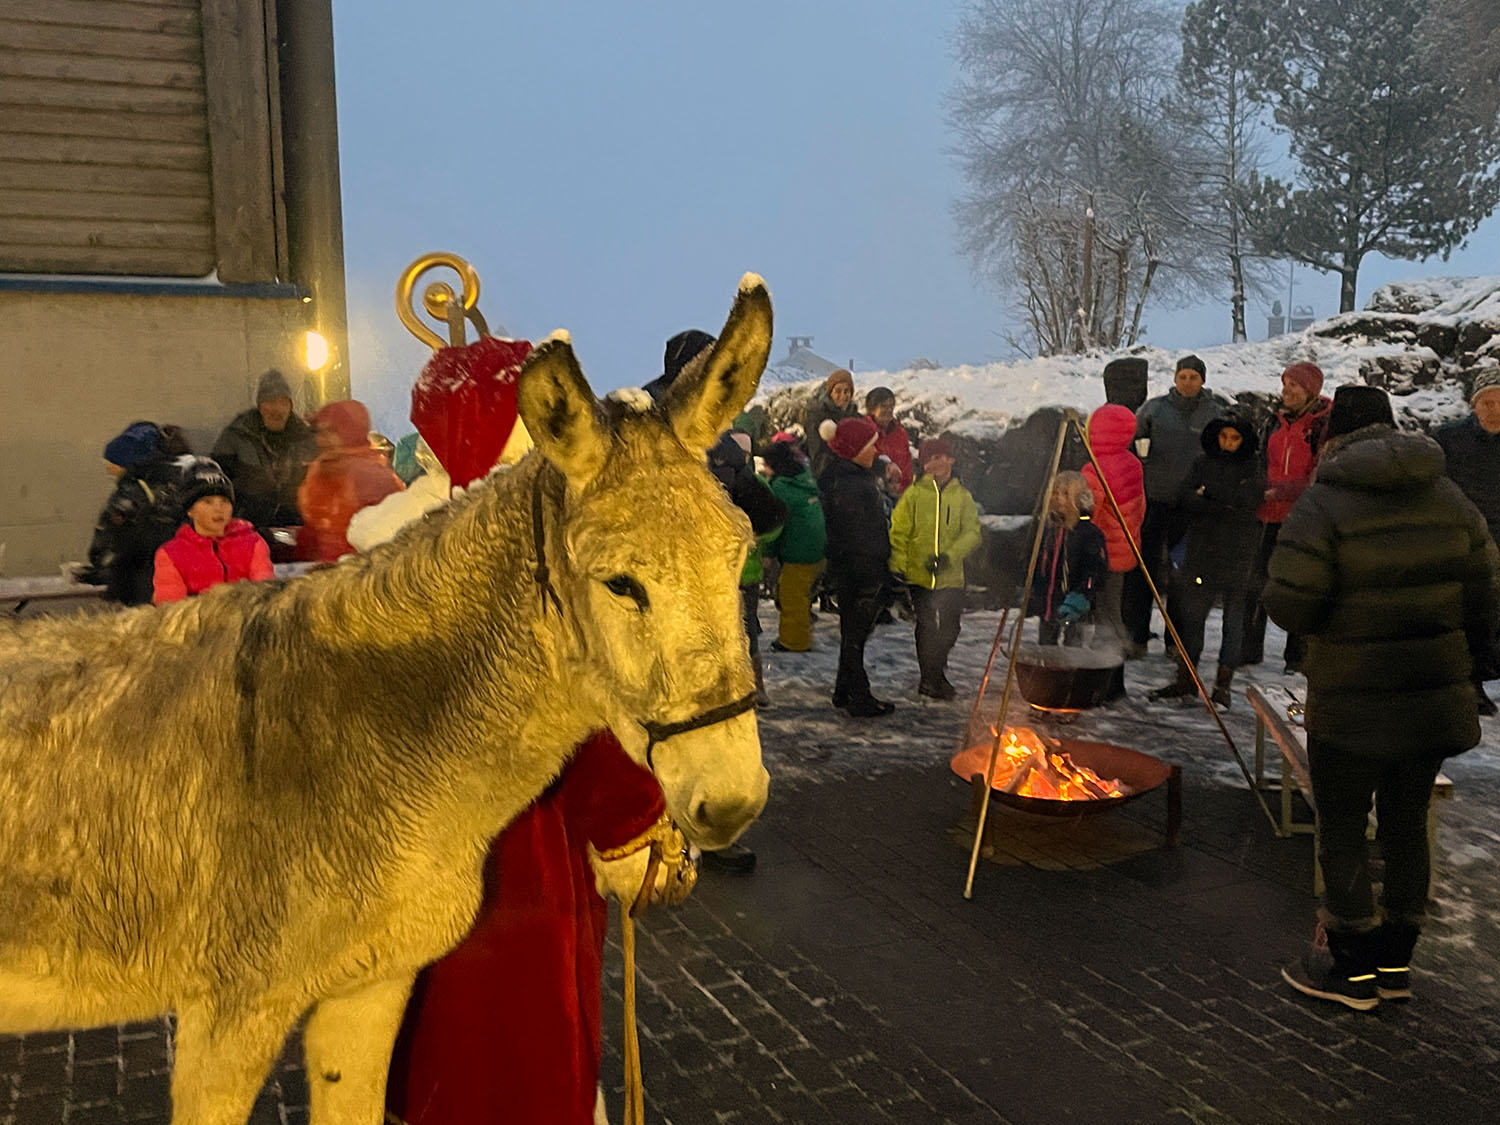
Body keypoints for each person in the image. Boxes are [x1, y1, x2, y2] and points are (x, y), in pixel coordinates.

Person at [1264, 385, 1499, 1011]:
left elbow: (1291, 603)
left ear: (1333, 437)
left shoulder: (1324, 504)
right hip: (1431, 697)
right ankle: (1395, 965)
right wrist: (1474, 665)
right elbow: (1486, 598)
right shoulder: (1451, 499)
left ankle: (1351, 971)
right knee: (1405, 825)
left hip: (1352, 697)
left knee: (1341, 825)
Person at [387, 729, 692, 1125]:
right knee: (525, 1049)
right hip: (529, 880)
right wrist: (650, 830)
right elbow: (584, 740)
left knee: (427, 1047)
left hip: (414, 865)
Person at [1148, 415, 1264, 708]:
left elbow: (1247, 500)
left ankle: (1223, 685)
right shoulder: (1203, 462)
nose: (1227, 443)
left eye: (1234, 438)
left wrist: (1208, 497)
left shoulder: (1252, 466)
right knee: (1193, 617)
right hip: (1202, 552)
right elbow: (1183, 495)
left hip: (1239, 553)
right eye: (1223, 437)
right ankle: (1186, 677)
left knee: (1233, 622)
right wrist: (1214, 502)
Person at [1123, 355, 1224, 655]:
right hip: (1153, 500)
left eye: (1194, 376)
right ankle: (1135, 637)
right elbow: (1134, 442)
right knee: (1142, 570)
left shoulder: (1215, 413)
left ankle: (1177, 641)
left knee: (1186, 574)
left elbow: (1223, 454)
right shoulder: (1154, 409)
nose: (1188, 382)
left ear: (1202, 380)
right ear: (1175, 378)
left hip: (1191, 506)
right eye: (1183, 376)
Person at [1244, 362, 1332, 673]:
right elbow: (1258, 460)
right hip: (1266, 514)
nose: (1286, 390)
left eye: (1294, 384)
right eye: (1285, 383)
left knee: (1299, 586)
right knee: (1256, 581)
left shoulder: (1324, 425)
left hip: (1303, 517)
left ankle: (1297, 656)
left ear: (1311, 389)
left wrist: (1280, 490)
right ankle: (1248, 648)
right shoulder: (1273, 421)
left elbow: (1320, 473)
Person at [888, 437, 982, 700]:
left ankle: (935, 670)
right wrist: (899, 565)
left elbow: (972, 533)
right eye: (928, 459)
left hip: (951, 576)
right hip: (920, 575)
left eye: (939, 457)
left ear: (950, 460)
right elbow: (900, 531)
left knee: (951, 627)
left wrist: (950, 557)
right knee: (926, 626)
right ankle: (931, 679)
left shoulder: (962, 497)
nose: (934, 463)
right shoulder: (914, 495)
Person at [818, 416, 896, 716]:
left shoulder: (843, 476)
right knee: (855, 636)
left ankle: (843, 690)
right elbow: (859, 534)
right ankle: (859, 698)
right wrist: (879, 564)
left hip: (849, 567)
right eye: (870, 446)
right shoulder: (850, 487)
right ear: (854, 450)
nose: (875, 451)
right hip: (862, 568)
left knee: (852, 631)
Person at [1435, 368, 1500, 715]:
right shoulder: (1449, 439)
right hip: (1462, 541)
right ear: (1474, 406)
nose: (1494, 410)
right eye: (1486, 402)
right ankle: (1468, 685)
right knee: (1468, 615)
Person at [79, 421, 194, 606]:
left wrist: (99, 564)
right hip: (184, 574)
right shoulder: (184, 479)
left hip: (139, 580)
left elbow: (108, 535)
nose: (109, 468)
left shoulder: (130, 491)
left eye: (112, 462)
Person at [296, 399, 405, 563]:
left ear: (349, 433)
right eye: (320, 433)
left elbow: (386, 544)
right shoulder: (323, 469)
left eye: (330, 432)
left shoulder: (374, 478)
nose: (321, 440)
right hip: (324, 576)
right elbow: (314, 533)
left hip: (359, 578)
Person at [210, 368, 318, 533]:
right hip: (248, 529)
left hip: (298, 527)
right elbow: (216, 487)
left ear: (291, 406)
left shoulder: (305, 439)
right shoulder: (235, 437)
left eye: (284, 402)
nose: (278, 409)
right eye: (271, 402)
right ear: (260, 406)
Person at [151, 459, 273, 604]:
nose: (218, 509)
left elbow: (265, 595)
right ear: (190, 510)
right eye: (207, 502)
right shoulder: (171, 554)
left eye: (224, 502)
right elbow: (171, 611)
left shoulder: (253, 543)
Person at [1080, 404, 1147, 657]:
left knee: (1103, 615)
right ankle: (1112, 667)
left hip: (1101, 552)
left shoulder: (1094, 469)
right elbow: (1140, 507)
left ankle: (1107, 669)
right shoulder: (1133, 463)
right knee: (1112, 606)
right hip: (1125, 547)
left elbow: (1090, 516)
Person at [1026, 471, 1108, 647]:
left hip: (1074, 606)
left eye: (1065, 494)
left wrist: (1082, 594)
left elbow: (1095, 569)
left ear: (1078, 499)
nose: (1059, 499)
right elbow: (1037, 564)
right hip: (1048, 604)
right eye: (1055, 493)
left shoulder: (1088, 533)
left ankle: (1071, 674)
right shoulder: (1047, 531)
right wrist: (1032, 590)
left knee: (1073, 651)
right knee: (1046, 648)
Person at [764, 440, 827, 653]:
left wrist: (768, 553)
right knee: (797, 593)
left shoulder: (780, 487)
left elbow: (774, 524)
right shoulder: (804, 479)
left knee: (792, 597)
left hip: (799, 551)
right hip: (818, 547)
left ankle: (793, 641)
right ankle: (802, 625)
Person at [804, 368, 859, 479]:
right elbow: (818, 456)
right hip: (829, 476)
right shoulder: (817, 417)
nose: (843, 396)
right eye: (838, 391)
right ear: (830, 393)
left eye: (847, 391)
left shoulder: (856, 417)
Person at [865, 386, 913, 492]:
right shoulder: (865, 431)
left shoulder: (900, 433)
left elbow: (907, 464)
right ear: (872, 409)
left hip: (901, 494)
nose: (888, 410)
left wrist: (904, 488)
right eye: (883, 406)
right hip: (875, 493)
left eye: (891, 406)